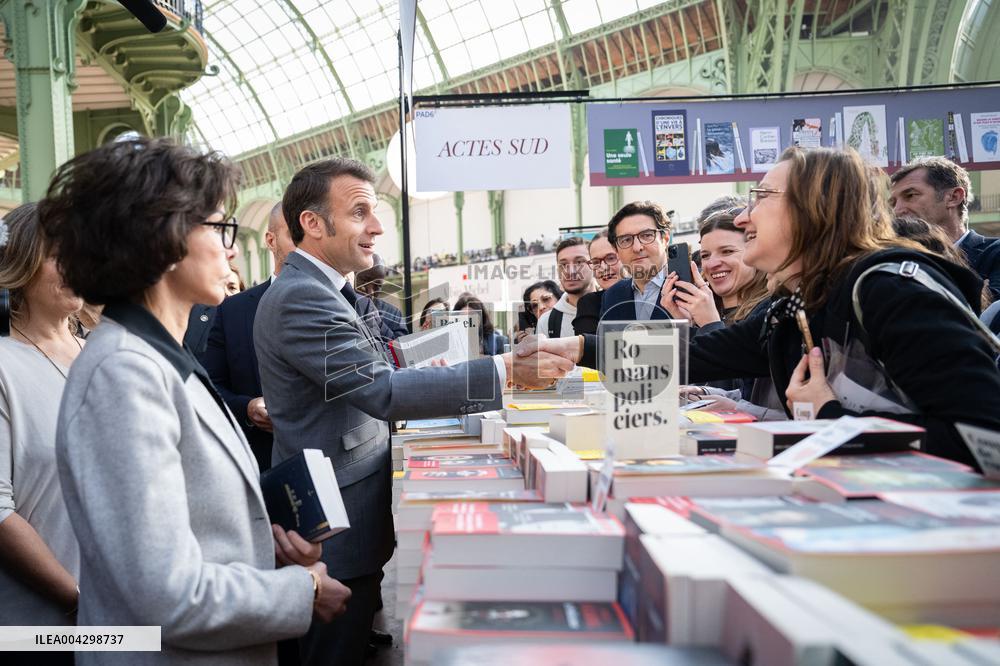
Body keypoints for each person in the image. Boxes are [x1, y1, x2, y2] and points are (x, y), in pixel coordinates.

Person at [39, 137, 352, 666]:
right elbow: (166, 595)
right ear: (161, 237)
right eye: (219, 227)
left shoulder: (158, 357)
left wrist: (267, 548)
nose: (232, 250)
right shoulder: (123, 374)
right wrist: (304, 590)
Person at [253, 158, 572, 666]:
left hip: (349, 505)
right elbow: (381, 390)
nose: (377, 228)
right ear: (312, 223)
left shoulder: (325, 290)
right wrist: (505, 369)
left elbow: (372, 371)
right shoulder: (302, 298)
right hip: (333, 520)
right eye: (359, 213)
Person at [550, 147, 1000, 469]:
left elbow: (985, 440)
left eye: (762, 198)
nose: (743, 217)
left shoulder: (889, 290)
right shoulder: (798, 301)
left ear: (814, 210)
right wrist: (577, 349)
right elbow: (697, 353)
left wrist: (831, 418)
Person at [0, 204, 83, 651]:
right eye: (57, 254)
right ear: (21, 264)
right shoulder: (4, 364)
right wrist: (79, 601)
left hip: (128, 616)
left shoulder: (105, 354)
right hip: (37, 630)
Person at [200, 203, 295, 472]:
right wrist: (248, 408)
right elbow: (210, 386)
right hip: (260, 465)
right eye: (294, 234)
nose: (304, 245)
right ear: (271, 240)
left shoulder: (347, 304)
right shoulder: (232, 310)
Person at [890, 156, 1000, 300]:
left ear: (954, 197)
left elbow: (991, 310)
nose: (897, 210)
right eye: (893, 203)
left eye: (910, 195)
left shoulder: (994, 253)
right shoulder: (893, 261)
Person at [600, 201, 673, 321]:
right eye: (626, 240)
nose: (637, 247)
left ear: (665, 239)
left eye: (646, 235)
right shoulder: (612, 296)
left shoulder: (690, 288)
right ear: (616, 250)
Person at [537, 237, 596, 338]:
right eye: (563, 264)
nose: (570, 271)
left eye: (579, 262)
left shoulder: (612, 308)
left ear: (594, 265)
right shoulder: (546, 322)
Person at [573, 231, 622, 336]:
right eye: (595, 262)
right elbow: (589, 345)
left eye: (611, 258)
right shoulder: (589, 304)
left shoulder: (651, 295)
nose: (603, 268)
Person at [355, 255, 408, 339]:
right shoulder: (339, 306)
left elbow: (402, 345)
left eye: (377, 286)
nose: (370, 292)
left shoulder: (393, 314)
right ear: (352, 276)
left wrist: (379, 324)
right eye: (365, 281)